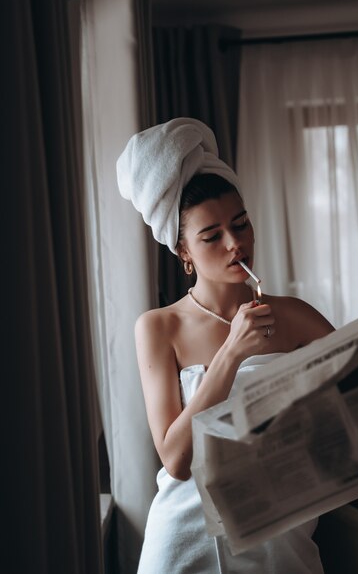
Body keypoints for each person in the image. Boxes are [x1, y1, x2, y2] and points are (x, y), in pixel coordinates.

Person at [117, 118, 335, 573]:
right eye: (212, 236)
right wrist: (232, 351)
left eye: (241, 224)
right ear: (184, 254)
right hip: (186, 542)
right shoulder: (158, 327)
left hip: (279, 536)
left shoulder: (295, 316)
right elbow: (175, 460)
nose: (236, 244)